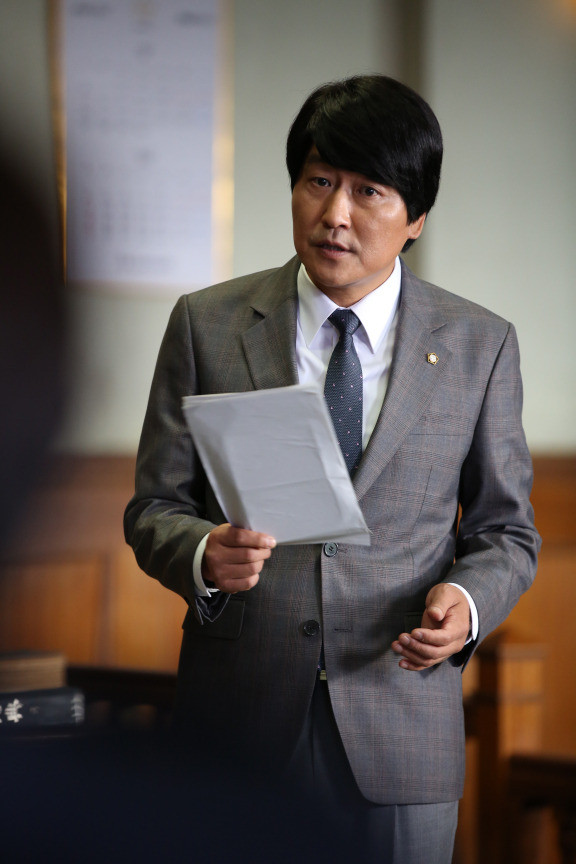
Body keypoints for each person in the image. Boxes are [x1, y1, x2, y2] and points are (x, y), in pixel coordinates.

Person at [124, 75, 540, 863]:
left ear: (416, 217)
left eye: (368, 191)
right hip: (237, 725)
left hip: (400, 725)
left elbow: (506, 534)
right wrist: (202, 553)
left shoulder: (479, 346)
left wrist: (465, 603)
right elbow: (153, 508)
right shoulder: (207, 325)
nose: (335, 214)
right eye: (318, 181)